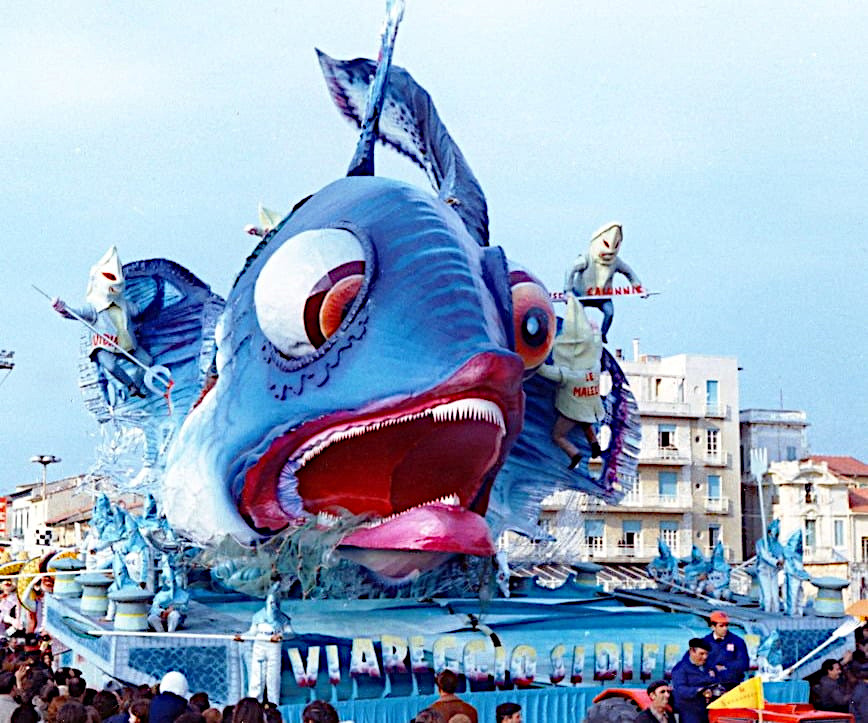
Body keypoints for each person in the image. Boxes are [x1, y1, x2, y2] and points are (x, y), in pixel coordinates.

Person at [52, 246, 153, 399]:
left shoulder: (124, 304)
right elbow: (75, 314)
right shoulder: (94, 308)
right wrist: (63, 309)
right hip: (106, 346)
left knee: (146, 361)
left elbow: (138, 312)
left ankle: (137, 386)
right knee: (110, 365)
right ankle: (129, 384)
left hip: (127, 344)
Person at [536, 294, 604, 468]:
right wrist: (595, 331)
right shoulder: (594, 365)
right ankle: (594, 444)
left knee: (557, 435)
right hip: (590, 405)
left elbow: (543, 370)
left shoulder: (568, 374)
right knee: (585, 419)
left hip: (572, 411)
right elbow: (597, 347)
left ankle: (574, 454)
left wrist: (533, 354)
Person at [565, 222, 643, 343]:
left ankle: (603, 334)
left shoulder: (615, 262)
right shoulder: (586, 258)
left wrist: (638, 288)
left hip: (602, 296)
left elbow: (629, 273)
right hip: (581, 295)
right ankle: (577, 336)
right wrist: (568, 290)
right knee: (577, 314)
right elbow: (571, 269)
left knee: (610, 313)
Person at [235, 583, 293, 703]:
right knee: (257, 676)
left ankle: (273, 704)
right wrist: (242, 637)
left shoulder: (282, 619)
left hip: (274, 648)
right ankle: (254, 703)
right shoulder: (258, 616)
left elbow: (291, 634)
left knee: (273, 677)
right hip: (260, 645)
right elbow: (252, 632)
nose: (272, 605)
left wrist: (280, 636)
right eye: (270, 602)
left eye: (274, 602)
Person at [670, 638, 719, 723]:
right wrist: (699, 690)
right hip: (689, 712)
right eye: (701, 654)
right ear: (692, 651)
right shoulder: (680, 668)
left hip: (707, 710)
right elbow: (680, 689)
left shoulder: (708, 666)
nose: (705, 657)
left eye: (706, 654)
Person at [703, 611, 749, 691]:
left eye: (726, 625)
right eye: (721, 626)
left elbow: (743, 663)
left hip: (731, 685)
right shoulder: (704, 642)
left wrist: (725, 666)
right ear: (713, 627)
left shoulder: (737, 641)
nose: (725, 628)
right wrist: (713, 668)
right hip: (710, 685)